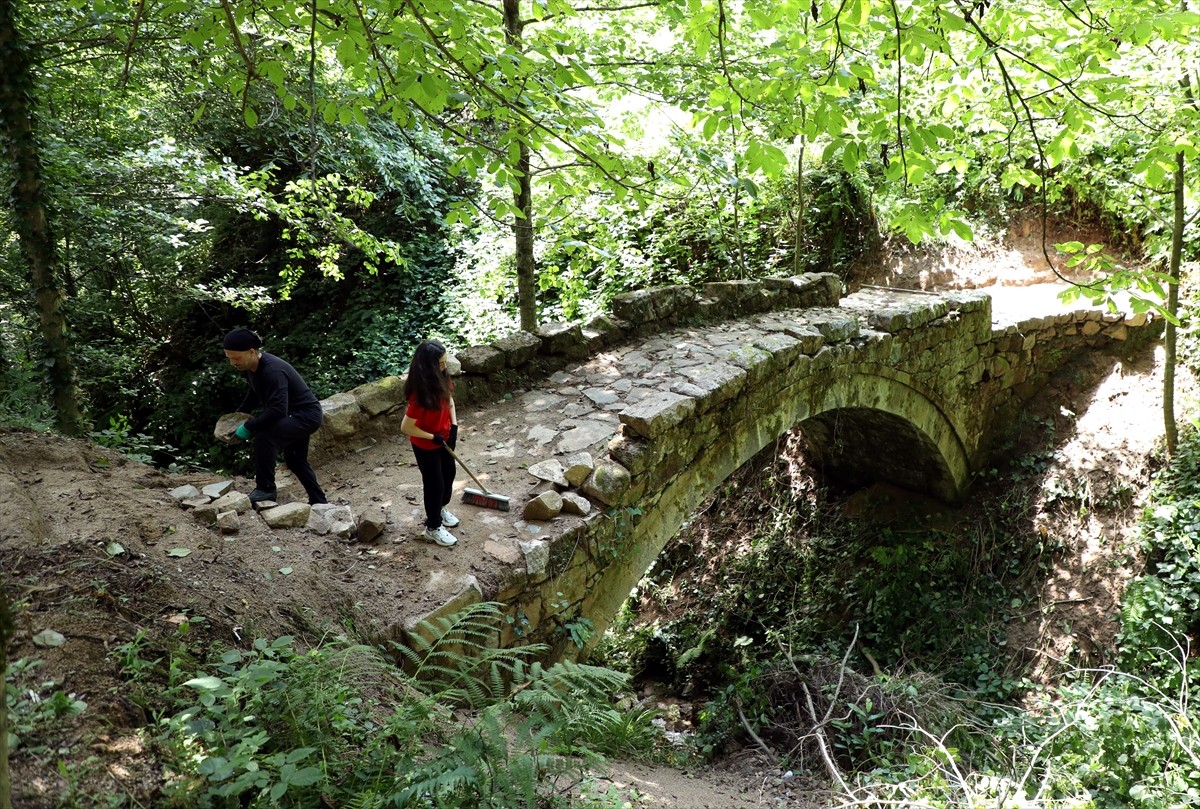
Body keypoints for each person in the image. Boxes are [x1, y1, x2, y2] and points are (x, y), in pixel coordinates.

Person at [222, 328, 328, 506]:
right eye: (229, 358)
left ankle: (265, 489)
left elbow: (278, 410)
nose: (233, 362)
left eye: (236, 358)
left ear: (251, 352)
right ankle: (319, 501)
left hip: (306, 415)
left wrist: (249, 427)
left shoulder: (272, 371)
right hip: (295, 415)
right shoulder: (252, 367)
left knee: (265, 436)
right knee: (295, 460)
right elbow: (254, 394)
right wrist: (236, 418)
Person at [401, 340, 460, 547]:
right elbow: (406, 427)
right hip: (426, 445)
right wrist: (432, 437)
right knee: (435, 484)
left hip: (444, 438)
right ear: (428, 366)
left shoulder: (442, 377)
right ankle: (433, 527)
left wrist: (453, 427)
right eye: (440, 363)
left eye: (444, 362)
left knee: (449, 475)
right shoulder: (419, 393)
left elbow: (450, 401)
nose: (444, 367)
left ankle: (440, 509)